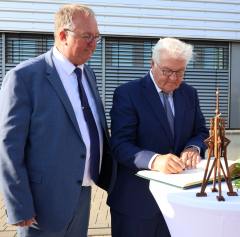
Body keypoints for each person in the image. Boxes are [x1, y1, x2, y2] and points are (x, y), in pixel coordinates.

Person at [0, 3, 112, 237]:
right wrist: (19, 205)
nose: (94, 44)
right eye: (87, 37)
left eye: (97, 37)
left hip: (82, 193)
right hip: (42, 204)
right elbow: (8, 148)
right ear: (63, 35)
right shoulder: (24, 77)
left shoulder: (88, 73)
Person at [108, 37, 209, 237]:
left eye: (180, 72)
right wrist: (154, 160)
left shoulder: (190, 93)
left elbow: (201, 132)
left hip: (180, 202)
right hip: (136, 203)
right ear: (152, 63)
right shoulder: (127, 93)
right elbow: (120, 145)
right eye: (167, 71)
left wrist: (193, 148)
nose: (173, 78)